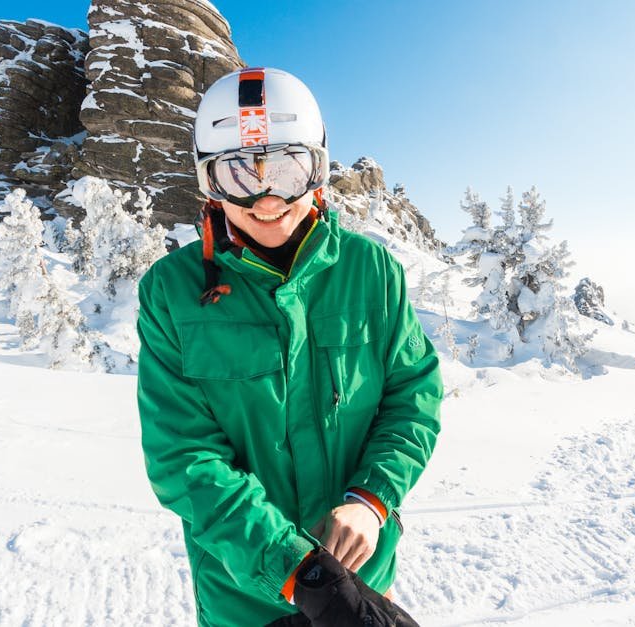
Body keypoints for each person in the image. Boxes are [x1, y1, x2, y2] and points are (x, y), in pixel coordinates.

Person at [137, 67, 442, 627]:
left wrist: (372, 500)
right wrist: (298, 572)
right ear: (207, 183)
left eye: (284, 168)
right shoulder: (170, 292)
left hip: (362, 579)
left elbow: (412, 398)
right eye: (235, 174)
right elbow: (183, 456)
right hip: (246, 600)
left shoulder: (372, 273)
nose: (265, 199)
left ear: (318, 169)